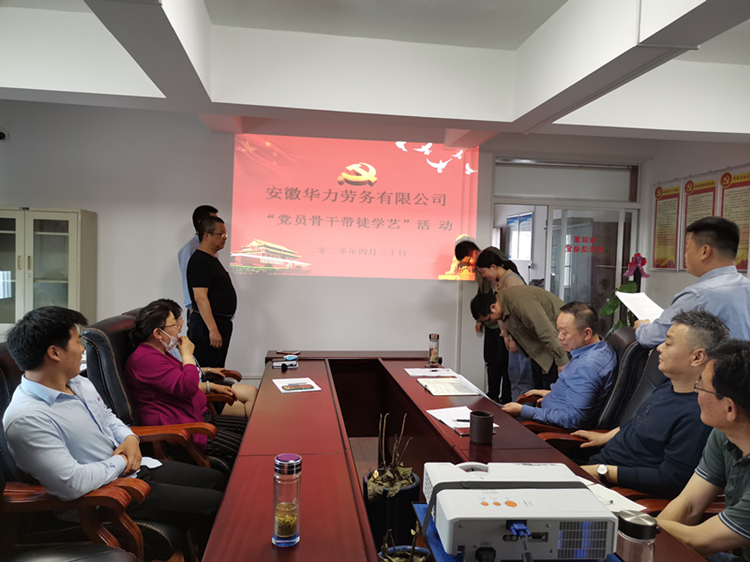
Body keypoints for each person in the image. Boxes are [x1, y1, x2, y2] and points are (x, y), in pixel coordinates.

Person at [2, 306, 225, 550]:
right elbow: (72, 483)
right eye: (77, 341)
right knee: (218, 504)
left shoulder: (78, 383)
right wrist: (123, 460)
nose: (83, 349)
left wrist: (129, 439)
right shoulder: (27, 417)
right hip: (104, 499)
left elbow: (107, 417)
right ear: (54, 353)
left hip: (132, 471)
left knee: (218, 480)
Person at [575, 310, 729, 498]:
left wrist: (602, 471)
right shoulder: (669, 384)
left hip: (617, 490)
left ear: (697, 357)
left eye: (668, 343)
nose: (659, 348)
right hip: (597, 467)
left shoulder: (698, 415)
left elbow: (668, 481)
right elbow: (642, 419)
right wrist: (605, 437)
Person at [657, 340, 750, 560]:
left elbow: (698, 540)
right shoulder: (724, 434)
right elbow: (689, 506)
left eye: (700, 386)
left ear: (729, 407)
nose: (696, 391)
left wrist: (629, 522)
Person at [125, 301, 247, 466]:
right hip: (183, 431)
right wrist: (187, 355)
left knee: (252, 430)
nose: (179, 328)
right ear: (158, 333)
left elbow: (181, 382)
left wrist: (211, 386)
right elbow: (187, 386)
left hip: (197, 417)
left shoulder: (158, 353)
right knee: (247, 448)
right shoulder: (146, 359)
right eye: (174, 325)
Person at [635, 217, 750, 347]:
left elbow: (651, 337)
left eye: (688, 249)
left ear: (704, 251)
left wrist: (642, 326)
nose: (685, 255)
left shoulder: (698, 296)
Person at [500, 302, 616, 430]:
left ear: (587, 333)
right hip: (553, 411)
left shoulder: (587, 367)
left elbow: (573, 418)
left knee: (498, 426)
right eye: (558, 331)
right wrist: (552, 394)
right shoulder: (597, 348)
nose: (559, 337)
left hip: (554, 429)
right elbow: (578, 392)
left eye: (565, 333)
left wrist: (523, 410)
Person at [155, 298, 256, 418]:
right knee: (251, 406)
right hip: (199, 392)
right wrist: (211, 386)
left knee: (252, 392)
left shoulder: (174, 344)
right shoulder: (165, 350)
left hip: (202, 384)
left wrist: (208, 369)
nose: (182, 321)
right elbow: (185, 382)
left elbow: (186, 369)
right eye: (179, 319)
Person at [471, 286, 568, 389]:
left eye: (489, 319)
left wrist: (563, 362)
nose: (491, 322)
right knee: (540, 392)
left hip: (559, 348)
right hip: (542, 355)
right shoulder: (504, 305)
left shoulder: (520, 302)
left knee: (553, 394)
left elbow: (546, 332)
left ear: (493, 307)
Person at [454, 241, 511, 403]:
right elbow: (482, 292)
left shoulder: (493, 257)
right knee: (491, 359)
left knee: (504, 362)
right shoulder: (480, 269)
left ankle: (506, 399)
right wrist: (480, 318)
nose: (469, 268)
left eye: (468, 263)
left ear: (472, 253)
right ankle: (492, 395)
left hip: (501, 320)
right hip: (490, 321)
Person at [475, 250, 534, 400]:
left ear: (493, 266)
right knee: (514, 376)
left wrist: (513, 338)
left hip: (521, 337)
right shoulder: (498, 283)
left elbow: (518, 315)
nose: (483, 276)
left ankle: (522, 411)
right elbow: (502, 314)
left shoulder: (512, 281)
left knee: (522, 380)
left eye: (483, 272)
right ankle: (512, 406)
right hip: (511, 335)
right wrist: (505, 334)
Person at [187, 216, 237, 368]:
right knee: (208, 370)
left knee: (217, 368)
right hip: (207, 326)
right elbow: (200, 298)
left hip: (219, 323)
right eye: (221, 234)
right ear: (207, 235)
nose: (225, 237)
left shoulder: (211, 259)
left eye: (225, 234)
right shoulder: (199, 261)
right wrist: (213, 330)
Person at [178, 205, 218, 314]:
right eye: (213, 221)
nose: (217, 225)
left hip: (211, 308)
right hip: (198, 310)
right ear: (201, 223)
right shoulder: (189, 249)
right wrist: (193, 309)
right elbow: (187, 280)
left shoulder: (210, 247)